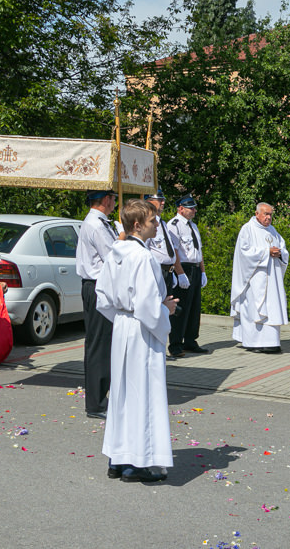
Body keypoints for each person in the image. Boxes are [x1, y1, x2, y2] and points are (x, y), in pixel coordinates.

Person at [96, 199, 179, 483]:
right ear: (137, 225)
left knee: (122, 393)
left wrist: (122, 316)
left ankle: (117, 458)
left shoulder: (115, 252)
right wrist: (164, 311)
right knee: (141, 392)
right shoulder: (143, 257)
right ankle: (136, 464)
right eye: (153, 221)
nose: (157, 224)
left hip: (122, 326)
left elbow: (103, 297)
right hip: (142, 329)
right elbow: (146, 304)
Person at [76, 188, 119, 419]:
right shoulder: (95, 224)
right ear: (105, 199)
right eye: (113, 199)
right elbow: (113, 255)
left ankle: (101, 396)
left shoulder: (102, 223)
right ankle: (96, 403)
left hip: (101, 286)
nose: (115, 203)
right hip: (96, 286)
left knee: (105, 344)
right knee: (99, 345)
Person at [231, 203, 289, 354]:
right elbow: (244, 252)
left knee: (272, 308)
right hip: (255, 278)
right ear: (257, 214)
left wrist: (280, 253)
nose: (268, 218)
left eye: (270, 214)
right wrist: (266, 252)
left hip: (272, 277)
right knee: (254, 308)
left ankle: (272, 342)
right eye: (265, 214)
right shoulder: (247, 229)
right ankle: (253, 343)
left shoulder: (272, 230)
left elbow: (283, 247)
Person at [167, 194, 208, 357]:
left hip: (195, 268)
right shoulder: (174, 225)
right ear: (180, 208)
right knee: (181, 309)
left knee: (194, 309)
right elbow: (174, 251)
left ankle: (190, 340)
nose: (194, 210)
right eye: (190, 208)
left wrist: (203, 271)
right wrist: (180, 274)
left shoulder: (193, 226)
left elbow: (199, 251)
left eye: (194, 207)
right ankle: (176, 344)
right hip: (184, 269)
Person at [144, 189, 189, 302]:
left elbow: (169, 249)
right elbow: (144, 249)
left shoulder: (163, 223)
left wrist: (172, 271)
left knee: (167, 312)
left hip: (167, 272)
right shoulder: (146, 223)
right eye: (159, 199)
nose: (163, 202)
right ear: (148, 201)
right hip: (157, 271)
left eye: (163, 199)